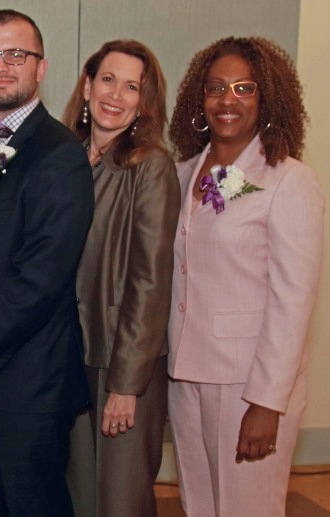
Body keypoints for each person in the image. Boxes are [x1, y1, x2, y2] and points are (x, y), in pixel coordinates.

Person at [168, 36, 324, 516]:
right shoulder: (184, 175)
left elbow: (292, 301)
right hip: (184, 373)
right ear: (200, 99)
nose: (227, 99)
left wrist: (267, 402)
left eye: (244, 88)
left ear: (267, 98)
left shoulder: (288, 180)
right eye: (216, 88)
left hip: (246, 385)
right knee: (199, 506)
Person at [0, 9, 94, 516]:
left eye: (16, 54)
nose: (1, 65)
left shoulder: (62, 154)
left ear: (41, 67)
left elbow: (44, 274)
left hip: (31, 383)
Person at [62, 40, 179, 517]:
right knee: (78, 497)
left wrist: (127, 385)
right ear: (88, 85)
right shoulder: (64, 159)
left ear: (144, 101)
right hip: (69, 354)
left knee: (120, 502)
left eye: (132, 86)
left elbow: (150, 281)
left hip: (122, 358)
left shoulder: (150, 167)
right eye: (108, 79)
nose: (116, 95)